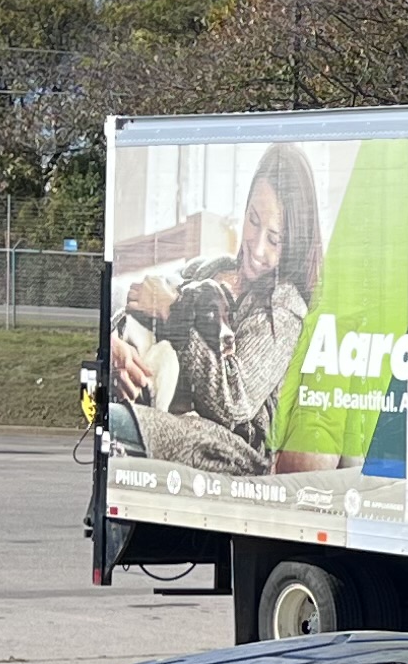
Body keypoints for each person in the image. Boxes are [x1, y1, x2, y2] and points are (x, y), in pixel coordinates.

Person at [117, 145, 320, 476]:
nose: (256, 247)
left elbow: (234, 403)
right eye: (253, 222)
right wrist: (122, 352)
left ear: (294, 242)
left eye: (275, 239)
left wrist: (174, 309)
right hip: (162, 404)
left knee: (117, 421)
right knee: (112, 415)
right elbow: (140, 299)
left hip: (224, 445)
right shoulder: (208, 267)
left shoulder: (283, 306)